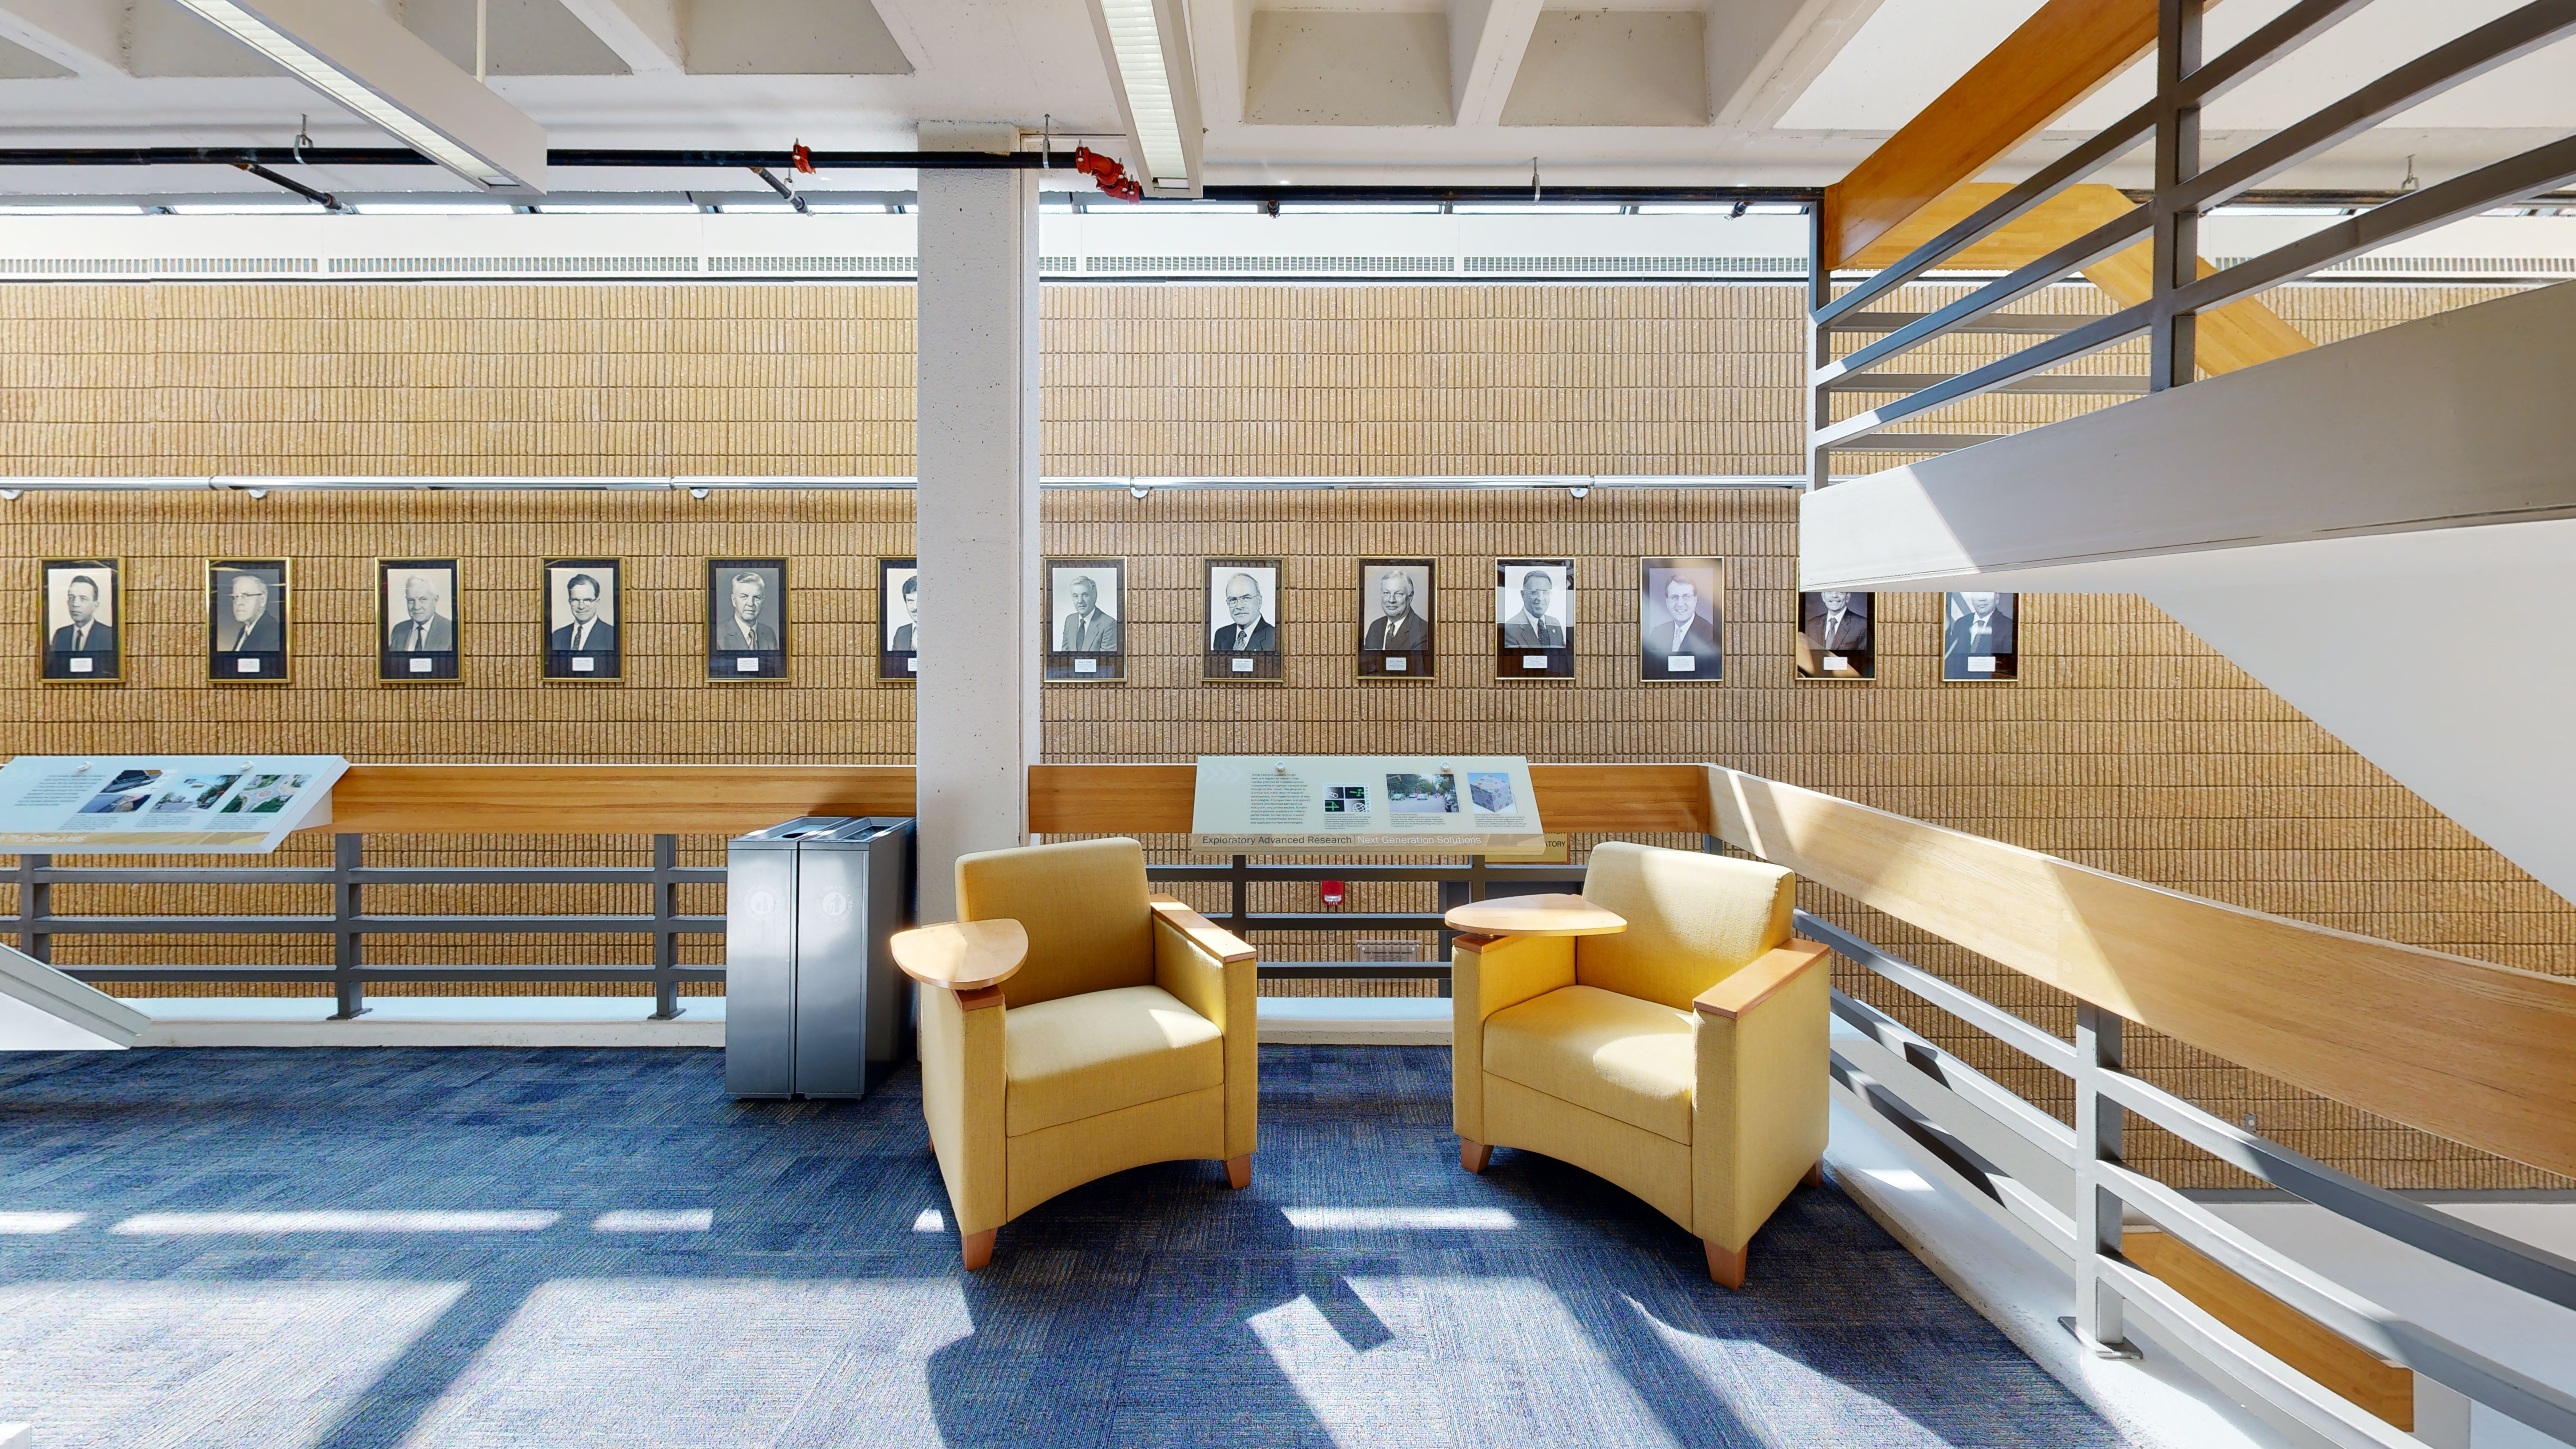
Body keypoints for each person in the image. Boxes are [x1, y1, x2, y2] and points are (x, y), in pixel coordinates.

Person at [1643, 573, 1718, 675]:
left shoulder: (1710, 634)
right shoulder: (1658, 632)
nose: (1680, 604)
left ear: (1695, 599)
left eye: (1686, 597)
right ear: (1667, 601)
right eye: (1674, 598)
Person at [1943, 591, 2015, 676]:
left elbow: (2008, 665)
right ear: (1972, 599)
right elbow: (1953, 660)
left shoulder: (2009, 626)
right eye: (1977, 594)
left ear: (1997, 598)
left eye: (1987, 594)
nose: (1982, 599)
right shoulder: (1961, 623)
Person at [49, 572, 115, 660]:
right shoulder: (61, 634)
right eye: (72, 598)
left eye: (83, 599)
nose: (76, 604)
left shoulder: (108, 635)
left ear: (95, 605)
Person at [549, 573, 617, 655]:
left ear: (597, 602)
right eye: (576, 600)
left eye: (587, 600)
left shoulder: (612, 635)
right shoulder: (557, 636)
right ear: (570, 602)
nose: (581, 607)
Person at [1362, 570, 1430, 652]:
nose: (1391, 600)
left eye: (1399, 594)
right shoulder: (1375, 627)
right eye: (1387, 593)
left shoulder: (1423, 632)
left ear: (1410, 597)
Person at [386, 574, 454, 653]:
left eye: (423, 600)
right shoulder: (399, 630)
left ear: (435, 600)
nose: (417, 607)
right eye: (411, 600)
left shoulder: (450, 630)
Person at [216, 572, 281, 653]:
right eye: (236, 597)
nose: (239, 603)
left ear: (262, 600)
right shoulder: (245, 631)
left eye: (246, 596)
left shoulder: (274, 634)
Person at [1210, 572, 1275, 652]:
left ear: (1259, 602)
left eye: (1246, 598)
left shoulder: (1274, 638)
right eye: (1233, 600)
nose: (1239, 607)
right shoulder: (1221, 635)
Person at [1501, 569, 1566, 648]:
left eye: (1546, 593)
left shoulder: (1555, 623)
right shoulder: (1510, 629)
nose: (1541, 599)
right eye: (1535, 593)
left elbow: (1563, 658)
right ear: (1523, 595)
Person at [719, 571, 779, 652]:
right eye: (744, 597)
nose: (751, 604)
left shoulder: (769, 634)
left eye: (757, 597)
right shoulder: (718, 635)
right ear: (734, 601)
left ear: (763, 601)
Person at [1058, 574, 1119, 652]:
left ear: (1094, 596)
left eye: (1085, 595)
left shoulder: (1109, 624)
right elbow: (1065, 659)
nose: (1080, 601)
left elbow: (1106, 662)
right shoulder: (1070, 620)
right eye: (1076, 596)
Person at [1803, 590, 1868, 653]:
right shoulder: (1812, 624)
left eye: (1840, 592)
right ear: (1823, 597)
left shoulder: (1863, 625)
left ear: (1847, 597)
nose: (1834, 596)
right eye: (1829, 592)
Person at [890, 574, 920, 652]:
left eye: (919, 601)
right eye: (910, 601)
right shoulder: (901, 633)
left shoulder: (941, 633)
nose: (915, 607)